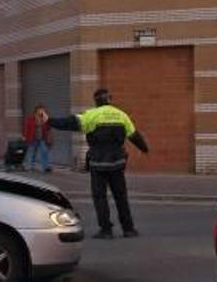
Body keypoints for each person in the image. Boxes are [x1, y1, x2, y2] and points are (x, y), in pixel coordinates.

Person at [44, 89, 149, 239]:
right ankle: (128, 229)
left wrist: (50, 121)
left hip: (98, 163)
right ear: (110, 100)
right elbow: (134, 135)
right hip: (117, 162)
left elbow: (69, 123)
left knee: (100, 197)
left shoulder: (92, 115)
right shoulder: (121, 115)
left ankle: (106, 230)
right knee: (121, 196)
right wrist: (144, 148)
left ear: (96, 101)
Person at [23, 105, 53, 172]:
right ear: (37, 110)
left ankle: (45, 167)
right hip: (33, 138)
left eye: (43, 110)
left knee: (45, 151)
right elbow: (27, 128)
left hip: (42, 138)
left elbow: (48, 129)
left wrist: (50, 136)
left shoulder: (45, 119)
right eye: (41, 110)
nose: (42, 111)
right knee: (32, 153)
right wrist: (25, 136)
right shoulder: (31, 119)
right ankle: (30, 167)